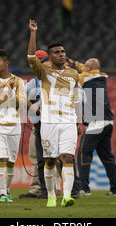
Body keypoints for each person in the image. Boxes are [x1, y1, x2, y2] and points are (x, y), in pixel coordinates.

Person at [27, 19, 81, 207]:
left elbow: (76, 98)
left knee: (67, 157)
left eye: (63, 51)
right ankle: (51, 194)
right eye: (57, 52)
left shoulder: (74, 74)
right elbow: (30, 56)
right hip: (49, 122)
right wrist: (33, 32)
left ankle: (67, 196)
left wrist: (77, 121)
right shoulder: (43, 71)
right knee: (49, 160)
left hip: (68, 121)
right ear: (49, 56)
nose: (61, 54)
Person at [71, 57, 116, 196]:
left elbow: (76, 77)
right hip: (108, 122)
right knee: (107, 156)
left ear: (88, 68)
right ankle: (115, 189)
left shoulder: (85, 79)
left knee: (83, 153)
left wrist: (71, 66)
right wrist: (75, 63)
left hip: (96, 123)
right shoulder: (101, 77)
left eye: (85, 66)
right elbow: (85, 69)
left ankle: (84, 188)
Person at [0, 50, 26, 202]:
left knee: (10, 161)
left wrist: (11, 93)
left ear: (6, 63)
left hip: (14, 125)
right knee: (0, 157)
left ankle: (7, 191)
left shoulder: (19, 81)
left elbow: (22, 105)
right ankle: (2, 193)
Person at [19, 50, 49, 199]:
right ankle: (37, 189)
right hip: (38, 126)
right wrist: (32, 106)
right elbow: (21, 97)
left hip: (53, 125)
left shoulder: (54, 79)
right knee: (36, 157)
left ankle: (52, 188)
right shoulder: (34, 82)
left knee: (53, 157)